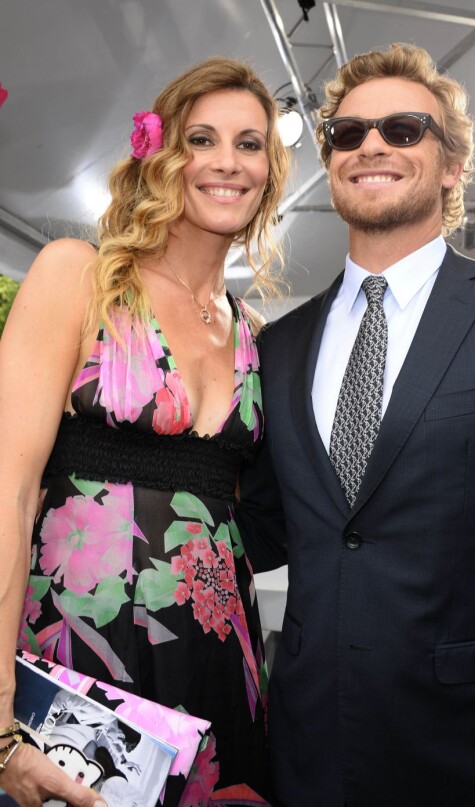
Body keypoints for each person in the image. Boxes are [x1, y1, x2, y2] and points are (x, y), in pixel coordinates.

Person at [237, 42, 475, 806]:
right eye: (349, 133)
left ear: (454, 164)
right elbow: (254, 533)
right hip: (307, 757)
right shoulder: (276, 347)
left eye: (403, 129)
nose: (371, 147)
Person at [0, 56, 290, 806]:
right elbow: (8, 491)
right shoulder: (79, 276)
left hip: (222, 661)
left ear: (270, 169)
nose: (228, 161)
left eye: (250, 143)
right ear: (162, 154)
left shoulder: (252, 332)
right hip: (80, 651)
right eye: (203, 138)